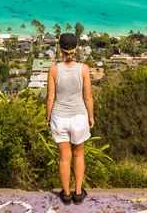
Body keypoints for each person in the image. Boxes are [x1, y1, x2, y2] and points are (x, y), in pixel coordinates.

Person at [46, 32, 94, 205]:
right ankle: (79, 193)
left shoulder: (53, 69)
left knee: (64, 158)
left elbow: (50, 97)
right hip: (79, 117)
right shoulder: (84, 69)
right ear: (76, 48)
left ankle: (66, 195)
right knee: (79, 155)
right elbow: (88, 97)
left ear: (60, 48)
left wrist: (48, 116)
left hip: (59, 117)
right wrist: (91, 115)